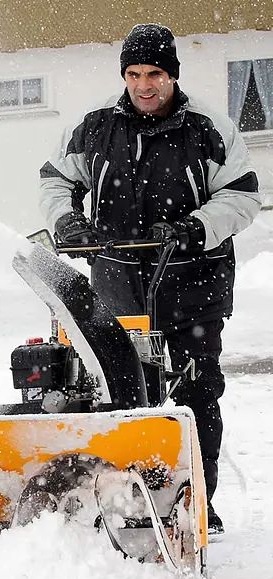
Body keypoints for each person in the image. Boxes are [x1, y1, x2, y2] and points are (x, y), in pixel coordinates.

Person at [39, 23, 261, 535]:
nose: (144, 86)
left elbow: (244, 195)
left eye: (155, 74)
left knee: (195, 394)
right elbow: (56, 178)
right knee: (121, 393)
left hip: (192, 285)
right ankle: (124, 496)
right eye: (134, 74)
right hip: (116, 286)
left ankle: (198, 500)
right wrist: (66, 221)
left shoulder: (208, 126)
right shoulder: (95, 126)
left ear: (173, 74)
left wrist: (193, 229)